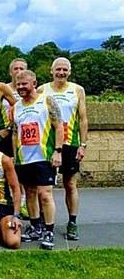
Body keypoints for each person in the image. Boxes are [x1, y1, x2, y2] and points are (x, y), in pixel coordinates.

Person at [12, 70, 63, 250]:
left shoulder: (46, 100)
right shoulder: (16, 106)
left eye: (24, 84)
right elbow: (16, 132)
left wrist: (58, 151)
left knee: (45, 194)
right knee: (30, 193)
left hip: (44, 156)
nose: (20, 88)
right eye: (18, 84)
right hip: (24, 158)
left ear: (34, 83)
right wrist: (14, 156)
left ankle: (49, 230)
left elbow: (59, 127)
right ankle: (35, 227)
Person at [39, 58, 88, 240]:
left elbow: (83, 119)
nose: (61, 73)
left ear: (70, 71)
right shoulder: (43, 89)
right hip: (49, 144)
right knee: (44, 187)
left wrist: (83, 145)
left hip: (70, 143)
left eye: (65, 70)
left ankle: (72, 222)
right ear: (51, 71)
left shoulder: (77, 90)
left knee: (70, 184)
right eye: (58, 69)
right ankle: (45, 222)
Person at [0, 58, 27, 157]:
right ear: (10, 72)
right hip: (5, 133)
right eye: (15, 69)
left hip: (25, 131)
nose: (19, 72)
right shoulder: (1, 89)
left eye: (22, 69)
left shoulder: (33, 91)